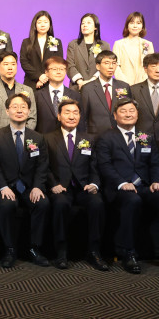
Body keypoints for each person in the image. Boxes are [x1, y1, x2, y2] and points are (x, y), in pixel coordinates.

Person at [95, 98, 159, 274]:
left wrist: (156, 181)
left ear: (137, 114)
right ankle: (128, 253)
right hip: (118, 188)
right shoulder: (106, 137)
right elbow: (105, 166)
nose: (128, 114)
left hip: (145, 186)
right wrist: (122, 183)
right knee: (132, 201)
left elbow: (155, 163)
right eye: (123, 111)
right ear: (115, 115)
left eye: (131, 111)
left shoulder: (146, 136)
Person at [0, 94, 50, 268]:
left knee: (42, 203)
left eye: (23, 107)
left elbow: (42, 166)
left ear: (29, 111)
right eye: (14, 107)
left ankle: (34, 248)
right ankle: (10, 249)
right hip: (5, 186)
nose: (19, 110)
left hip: (29, 187)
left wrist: (38, 187)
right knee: (6, 205)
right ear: (7, 111)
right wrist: (3, 187)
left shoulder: (37, 138)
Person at [43, 98, 106, 270]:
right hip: (60, 187)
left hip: (84, 187)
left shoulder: (89, 138)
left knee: (97, 203)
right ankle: (61, 252)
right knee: (60, 204)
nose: (72, 116)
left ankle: (94, 252)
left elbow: (95, 166)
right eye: (67, 112)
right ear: (59, 116)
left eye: (75, 113)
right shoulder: (47, 138)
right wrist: (53, 184)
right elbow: (44, 166)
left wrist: (94, 184)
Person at [0, 51, 37, 136]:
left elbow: (32, 118)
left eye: (13, 64)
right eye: (6, 64)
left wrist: (20, 135)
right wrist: (2, 137)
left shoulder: (28, 90)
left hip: (22, 138)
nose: (10, 68)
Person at [79, 50, 130, 139]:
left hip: (120, 136)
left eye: (114, 63)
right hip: (96, 137)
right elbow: (83, 117)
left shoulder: (124, 86)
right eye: (107, 63)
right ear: (98, 66)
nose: (111, 67)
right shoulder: (87, 89)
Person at [129, 53, 159, 140]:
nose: (158, 70)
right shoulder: (134, 90)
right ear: (145, 68)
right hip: (141, 138)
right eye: (153, 66)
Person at [34, 56, 81, 135]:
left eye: (62, 69)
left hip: (67, 139)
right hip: (43, 138)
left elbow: (81, 123)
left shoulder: (75, 96)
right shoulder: (37, 96)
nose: (58, 72)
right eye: (54, 69)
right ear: (46, 72)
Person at [20, 10, 63, 89]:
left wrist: (45, 78)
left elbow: (58, 62)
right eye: (39, 22)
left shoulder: (56, 42)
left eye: (45, 22)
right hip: (31, 82)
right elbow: (24, 62)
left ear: (50, 24)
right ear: (35, 25)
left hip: (50, 82)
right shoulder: (26, 42)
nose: (42, 25)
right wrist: (39, 76)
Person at [66, 13, 111, 89]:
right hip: (77, 87)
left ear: (95, 27)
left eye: (88, 23)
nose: (85, 25)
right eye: (83, 23)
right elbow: (70, 65)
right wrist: (80, 81)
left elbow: (106, 66)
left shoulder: (104, 45)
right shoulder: (73, 44)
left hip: (97, 86)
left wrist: (92, 80)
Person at [113, 12, 154, 85]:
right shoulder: (119, 44)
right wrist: (125, 83)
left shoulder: (148, 44)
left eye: (138, 23)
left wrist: (143, 82)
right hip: (124, 85)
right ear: (127, 25)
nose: (135, 26)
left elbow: (151, 66)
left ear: (142, 26)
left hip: (143, 84)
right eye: (132, 23)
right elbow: (115, 66)